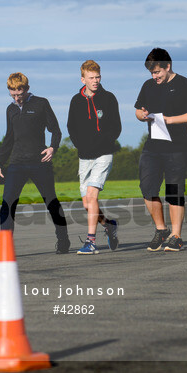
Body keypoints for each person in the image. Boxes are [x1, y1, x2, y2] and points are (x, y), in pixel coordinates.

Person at [0, 72, 70, 255]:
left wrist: (52, 148)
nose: (16, 98)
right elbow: (9, 138)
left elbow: (55, 130)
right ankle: (5, 246)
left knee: (51, 201)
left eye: (19, 94)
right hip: (16, 163)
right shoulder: (10, 110)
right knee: (8, 203)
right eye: (12, 95)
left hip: (39, 161)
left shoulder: (41, 104)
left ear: (26, 89)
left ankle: (63, 240)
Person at [134, 48, 187, 252]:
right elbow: (138, 109)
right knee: (147, 187)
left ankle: (176, 236)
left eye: (157, 72)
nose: (154, 77)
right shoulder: (148, 85)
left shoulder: (184, 84)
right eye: (152, 73)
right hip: (153, 145)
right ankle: (161, 230)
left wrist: (171, 120)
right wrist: (141, 115)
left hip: (177, 146)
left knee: (173, 190)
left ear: (167, 66)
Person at [67, 60, 122, 255]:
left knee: (92, 197)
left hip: (104, 154)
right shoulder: (75, 100)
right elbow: (71, 127)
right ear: (83, 79)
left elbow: (117, 127)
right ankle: (108, 225)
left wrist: (103, 143)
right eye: (91, 78)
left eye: (98, 77)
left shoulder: (108, 98)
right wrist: (80, 144)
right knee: (87, 204)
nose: (95, 81)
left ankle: (91, 242)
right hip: (84, 156)